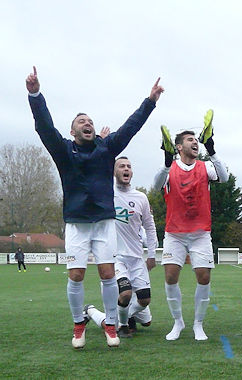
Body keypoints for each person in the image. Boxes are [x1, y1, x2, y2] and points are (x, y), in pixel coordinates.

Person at [26, 66, 164, 348]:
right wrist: (35, 94)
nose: (87, 123)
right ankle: (79, 323)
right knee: (76, 275)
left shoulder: (106, 148)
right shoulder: (63, 150)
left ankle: (111, 324)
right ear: (73, 130)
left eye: (90, 120)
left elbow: (131, 127)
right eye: (81, 121)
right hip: (76, 223)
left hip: (104, 222)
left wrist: (149, 101)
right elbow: (43, 127)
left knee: (107, 274)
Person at [155, 113, 229, 341]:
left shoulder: (205, 167)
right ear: (178, 147)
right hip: (174, 234)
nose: (195, 142)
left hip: (200, 233)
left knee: (203, 277)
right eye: (189, 140)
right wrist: (167, 164)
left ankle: (198, 324)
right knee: (170, 276)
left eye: (196, 139)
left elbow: (224, 177)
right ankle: (178, 323)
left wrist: (212, 148)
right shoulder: (170, 168)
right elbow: (157, 185)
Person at [110, 156, 157, 337]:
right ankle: (122, 326)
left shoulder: (140, 198)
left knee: (145, 299)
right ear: (114, 172)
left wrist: (151, 255)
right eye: (121, 166)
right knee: (126, 293)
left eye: (129, 166)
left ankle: (118, 317)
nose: (126, 169)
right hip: (116, 258)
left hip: (137, 258)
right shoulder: (107, 194)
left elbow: (150, 227)